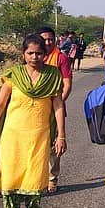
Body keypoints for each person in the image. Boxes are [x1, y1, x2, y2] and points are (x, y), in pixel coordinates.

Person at [0, 34, 67, 208]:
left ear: (45, 54)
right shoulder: (13, 75)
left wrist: (61, 136)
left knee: (34, 182)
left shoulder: (53, 76)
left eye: (39, 53)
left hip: (39, 137)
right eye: (30, 53)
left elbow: (58, 106)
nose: (34, 57)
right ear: (23, 54)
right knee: (11, 181)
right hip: (13, 137)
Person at [37, 27, 74, 193]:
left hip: (55, 109)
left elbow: (67, 85)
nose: (47, 42)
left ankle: (52, 179)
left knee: (54, 147)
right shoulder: (33, 56)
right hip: (35, 110)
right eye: (44, 39)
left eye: (50, 39)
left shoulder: (61, 58)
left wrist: (56, 104)